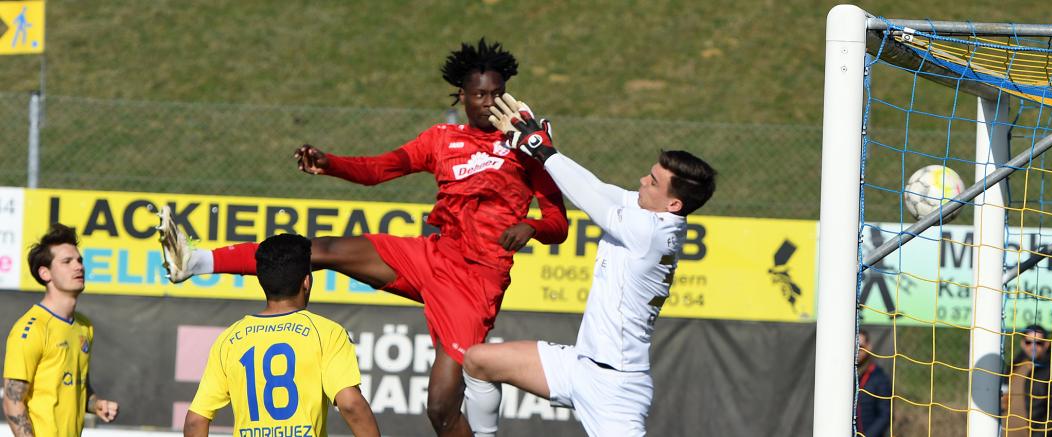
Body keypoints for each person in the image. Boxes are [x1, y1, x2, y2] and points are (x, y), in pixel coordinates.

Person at [159, 38, 568, 436]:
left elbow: (558, 223)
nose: (489, 103)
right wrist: (331, 163)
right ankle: (195, 262)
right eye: (480, 94)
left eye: (498, 94)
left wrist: (531, 225)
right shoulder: (441, 140)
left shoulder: (526, 144)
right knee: (319, 250)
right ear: (461, 96)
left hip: (476, 282)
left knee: (441, 409)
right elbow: (381, 169)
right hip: (432, 257)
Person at [460, 94, 717, 437]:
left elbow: (591, 200)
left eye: (653, 182)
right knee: (479, 361)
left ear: (674, 203)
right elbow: (596, 187)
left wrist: (542, 150)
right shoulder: (651, 214)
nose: (642, 181)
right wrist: (542, 149)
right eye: (649, 174)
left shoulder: (650, 231)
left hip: (615, 388)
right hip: (578, 365)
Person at [183, 233, 380, 437]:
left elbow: (195, 421)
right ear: (307, 282)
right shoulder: (326, 332)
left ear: (261, 281)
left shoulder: (230, 339)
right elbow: (351, 405)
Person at [3, 224, 119, 436]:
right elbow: (13, 400)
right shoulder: (30, 328)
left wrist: (96, 404)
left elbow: (75, 384)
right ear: (45, 273)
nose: (78, 267)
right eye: (67, 262)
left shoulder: (84, 326)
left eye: (79, 260)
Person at [1003, 324, 1052, 437]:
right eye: (1029, 342)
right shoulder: (1014, 367)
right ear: (1022, 344)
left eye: (1038, 343)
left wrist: (1040, 435)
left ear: (1046, 344)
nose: (1033, 346)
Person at [855, 330, 891, 437]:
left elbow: (885, 415)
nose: (857, 350)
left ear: (868, 347)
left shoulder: (878, 377)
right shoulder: (844, 376)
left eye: (860, 346)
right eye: (854, 346)